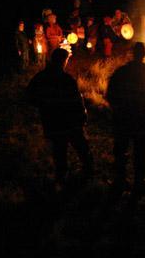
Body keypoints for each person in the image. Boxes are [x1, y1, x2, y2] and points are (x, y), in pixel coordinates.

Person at [26, 48, 93, 186]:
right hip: (70, 123)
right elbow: (76, 101)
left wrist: (43, 105)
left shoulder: (40, 77)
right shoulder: (66, 79)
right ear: (63, 61)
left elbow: (29, 96)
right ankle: (88, 174)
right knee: (81, 148)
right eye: (66, 60)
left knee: (59, 151)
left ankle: (61, 178)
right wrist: (82, 116)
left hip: (52, 123)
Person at [106, 42, 145, 197]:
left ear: (132, 54)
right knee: (140, 153)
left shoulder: (121, 73)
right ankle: (139, 182)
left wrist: (118, 110)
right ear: (144, 55)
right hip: (141, 123)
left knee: (120, 152)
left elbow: (110, 94)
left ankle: (119, 181)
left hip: (122, 121)